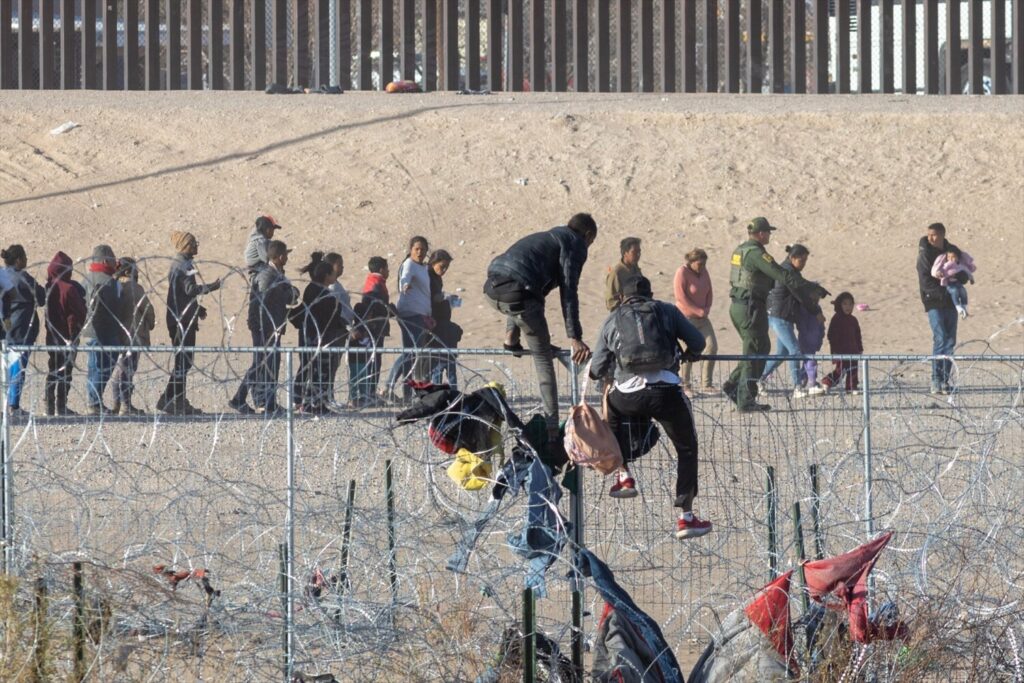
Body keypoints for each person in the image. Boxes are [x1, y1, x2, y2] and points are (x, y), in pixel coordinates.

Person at [589, 275, 712, 540]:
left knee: (611, 413)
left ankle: (624, 475)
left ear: (622, 297)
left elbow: (597, 368)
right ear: (651, 294)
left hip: (627, 396)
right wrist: (688, 354)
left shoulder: (612, 319)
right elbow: (699, 342)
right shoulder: (666, 310)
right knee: (686, 447)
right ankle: (686, 517)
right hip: (666, 393)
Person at [483, 213, 596, 442]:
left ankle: (510, 338)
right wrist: (575, 337)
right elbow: (569, 291)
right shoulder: (575, 243)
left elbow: (518, 284)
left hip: (492, 288)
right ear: (588, 235)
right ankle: (552, 432)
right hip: (518, 292)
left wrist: (513, 337)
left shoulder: (550, 237)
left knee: (521, 303)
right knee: (543, 358)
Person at [722, 218, 805, 412]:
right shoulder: (756, 253)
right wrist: (805, 286)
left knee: (758, 348)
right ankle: (746, 399)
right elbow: (779, 273)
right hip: (751, 307)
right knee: (756, 350)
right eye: (768, 232)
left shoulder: (741, 250)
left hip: (741, 306)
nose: (769, 235)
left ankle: (734, 383)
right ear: (761, 234)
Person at [231, 240, 297, 415]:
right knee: (261, 363)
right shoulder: (267, 275)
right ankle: (240, 398)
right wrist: (288, 295)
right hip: (264, 328)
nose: (288, 258)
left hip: (273, 326)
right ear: (281, 256)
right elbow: (261, 301)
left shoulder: (278, 274)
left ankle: (269, 402)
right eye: (286, 255)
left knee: (271, 364)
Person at [159, 231, 222, 415]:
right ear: (185, 245)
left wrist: (196, 309)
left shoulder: (183, 263)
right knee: (183, 363)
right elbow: (189, 289)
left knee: (184, 362)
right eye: (193, 243)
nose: (196, 246)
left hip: (183, 317)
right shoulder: (182, 265)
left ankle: (175, 399)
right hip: (181, 321)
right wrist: (211, 287)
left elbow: (182, 294)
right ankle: (172, 400)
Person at [760, 244, 829, 398]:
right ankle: (797, 387)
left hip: (783, 317)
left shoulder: (791, 271)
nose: (804, 264)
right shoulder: (788, 272)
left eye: (806, 261)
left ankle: (759, 379)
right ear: (792, 258)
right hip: (780, 317)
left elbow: (803, 286)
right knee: (795, 351)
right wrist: (816, 311)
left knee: (782, 353)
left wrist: (817, 290)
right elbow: (801, 295)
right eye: (801, 260)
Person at [290, 255, 346, 414]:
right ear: (327, 275)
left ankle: (314, 403)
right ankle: (311, 403)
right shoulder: (318, 291)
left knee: (319, 370)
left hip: (317, 335)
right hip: (316, 336)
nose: (335, 276)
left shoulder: (317, 290)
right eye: (333, 273)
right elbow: (327, 314)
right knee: (316, 371)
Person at [384, 236, 432, 403]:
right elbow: (405, 278)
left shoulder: (423, 267)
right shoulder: (410, 264)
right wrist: (404, 285)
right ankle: (389, 386)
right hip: (411, 313)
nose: (420, 252)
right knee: (411, 352)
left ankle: (407, 394)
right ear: (411, 249)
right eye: (417, 249)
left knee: (412, 354)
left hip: (420, 314)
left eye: (423, 249)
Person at [81, 244, 127, 415]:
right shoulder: (109, 282)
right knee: (103, 368)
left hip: (89, 331)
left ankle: (94, 401)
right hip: (106, 332)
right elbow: (118, 305)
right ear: (105, 260)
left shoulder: (86, 279)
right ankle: (94, 402)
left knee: (94, 367)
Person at [1, 245, 45, 417]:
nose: (27, 261)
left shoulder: (3, 275)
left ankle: (7, 405)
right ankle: (13, 405)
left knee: (6, 368)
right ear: (18, 259)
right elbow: (41, 298)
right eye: (25, 257)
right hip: (21, 329)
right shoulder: (23, 278)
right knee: (17, 368)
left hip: (5, 327)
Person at [917, 222, 960, 394]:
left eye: (934, 234)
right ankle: (935, 378)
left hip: (951, 302)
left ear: (942, 235)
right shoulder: (925, 254)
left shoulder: (952, 251)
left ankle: (944, 380)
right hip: (933, 301)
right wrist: (943, 293)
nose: (930, 238)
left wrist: (959, 277)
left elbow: (962, 271)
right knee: (940, 337)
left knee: (950, 341)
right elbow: (925, 281)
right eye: (929, 234)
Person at [110, 257, 155, 416]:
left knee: (120, 370)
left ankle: (117, 403)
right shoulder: (135, 288)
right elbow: (148, 309)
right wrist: (151, 323)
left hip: (116, 335)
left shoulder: (114, 286)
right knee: (127, 371)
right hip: (134, 335)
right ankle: (125, 405)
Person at [43, 251, 86, 416]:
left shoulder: (48, 287)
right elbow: (80, 311)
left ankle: (49, 405)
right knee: (66, 371)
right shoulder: (69, 289)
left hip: (52, 335)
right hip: (69, 335)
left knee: (53, 368)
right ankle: (61, 406)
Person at [348, 257, 392, 408]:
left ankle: (368, 393)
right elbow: (375, 307)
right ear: (381, 269)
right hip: (374, 329)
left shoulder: (371, 281)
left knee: (372, 360)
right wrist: (390, 311)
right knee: (374, 361)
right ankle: (370, 393)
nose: (388, 271)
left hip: (372, 327)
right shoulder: (377, 285)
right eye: (387, 268)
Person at [673, 248, 717, 393]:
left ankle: (707, 384)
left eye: (704, 264)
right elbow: (681, 297)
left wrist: (707, 308)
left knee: (711, 346)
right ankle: (685, 384)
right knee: (690, 349)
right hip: (686, 318)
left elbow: (710, 291)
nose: (702, 267)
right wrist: (697, 310)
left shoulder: (704, 272)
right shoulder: (682, 272)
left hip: (703, 318)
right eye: (699, 264)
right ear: (691, 262)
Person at [426, 249, 463, 388]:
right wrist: (442, 298)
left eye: (446, 267)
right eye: (442, 266)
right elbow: (432, 297)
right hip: (433, 322)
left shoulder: (436, 278)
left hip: (442, 322)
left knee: (447, 365)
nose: (444, 270)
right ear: (433, 263)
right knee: (437, 364)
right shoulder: (427, 275)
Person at [324, 252, 354, 409]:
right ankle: (327, 397)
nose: (342, 267)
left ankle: (329, 396)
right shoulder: (332, 287)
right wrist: (348, 326)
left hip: (342, 331)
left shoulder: (337, 284)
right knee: (330, 365)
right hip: (337, 331)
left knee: (334, 365)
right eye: (339, 264)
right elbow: (337, 312)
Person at [820, 292, 863, 393]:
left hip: (853, 350)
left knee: (853, 370)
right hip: (840, 351)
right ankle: (827, 382)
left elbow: (858, 336)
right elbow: (831, 335)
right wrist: (835, 350)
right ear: (840, 305)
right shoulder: (837, 319)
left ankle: (851, 387)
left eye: (850, 304)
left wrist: (860, 348)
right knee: (840, 371)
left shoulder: (853, 320)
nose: (848, 307)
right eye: (845, 304)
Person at [794, 284, 828, 396]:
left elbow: (821, 324)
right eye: (814, 294)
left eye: (818, 294)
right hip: (806, 339)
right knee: (811, 361)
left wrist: (820, 337)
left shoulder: (817, 308)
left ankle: (805, 379)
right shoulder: (804, 308)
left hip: (815, 340)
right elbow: (801, 324)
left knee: (807, 361)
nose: (817, 297)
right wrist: (805, 335)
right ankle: (812, 384)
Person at [931, 245, 976, 319]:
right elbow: (941, 270)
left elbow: (967, 272)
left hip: (958, 283)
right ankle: (958, 307)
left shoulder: (960, 266)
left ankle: (964, 307)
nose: (950, 259)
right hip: (949, 284)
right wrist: (938, 273)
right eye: (948, 257)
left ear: (958, 258)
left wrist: (971, 279)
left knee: (963, 291)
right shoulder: (946, 265)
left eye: (953, 257)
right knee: (954, 291)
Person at [605, 237, 643, 311]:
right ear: (625, 253)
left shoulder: (635, 268)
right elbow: (611, 302)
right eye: (634, 252)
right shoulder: (617, 273)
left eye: (639, 252)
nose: (638, 255)